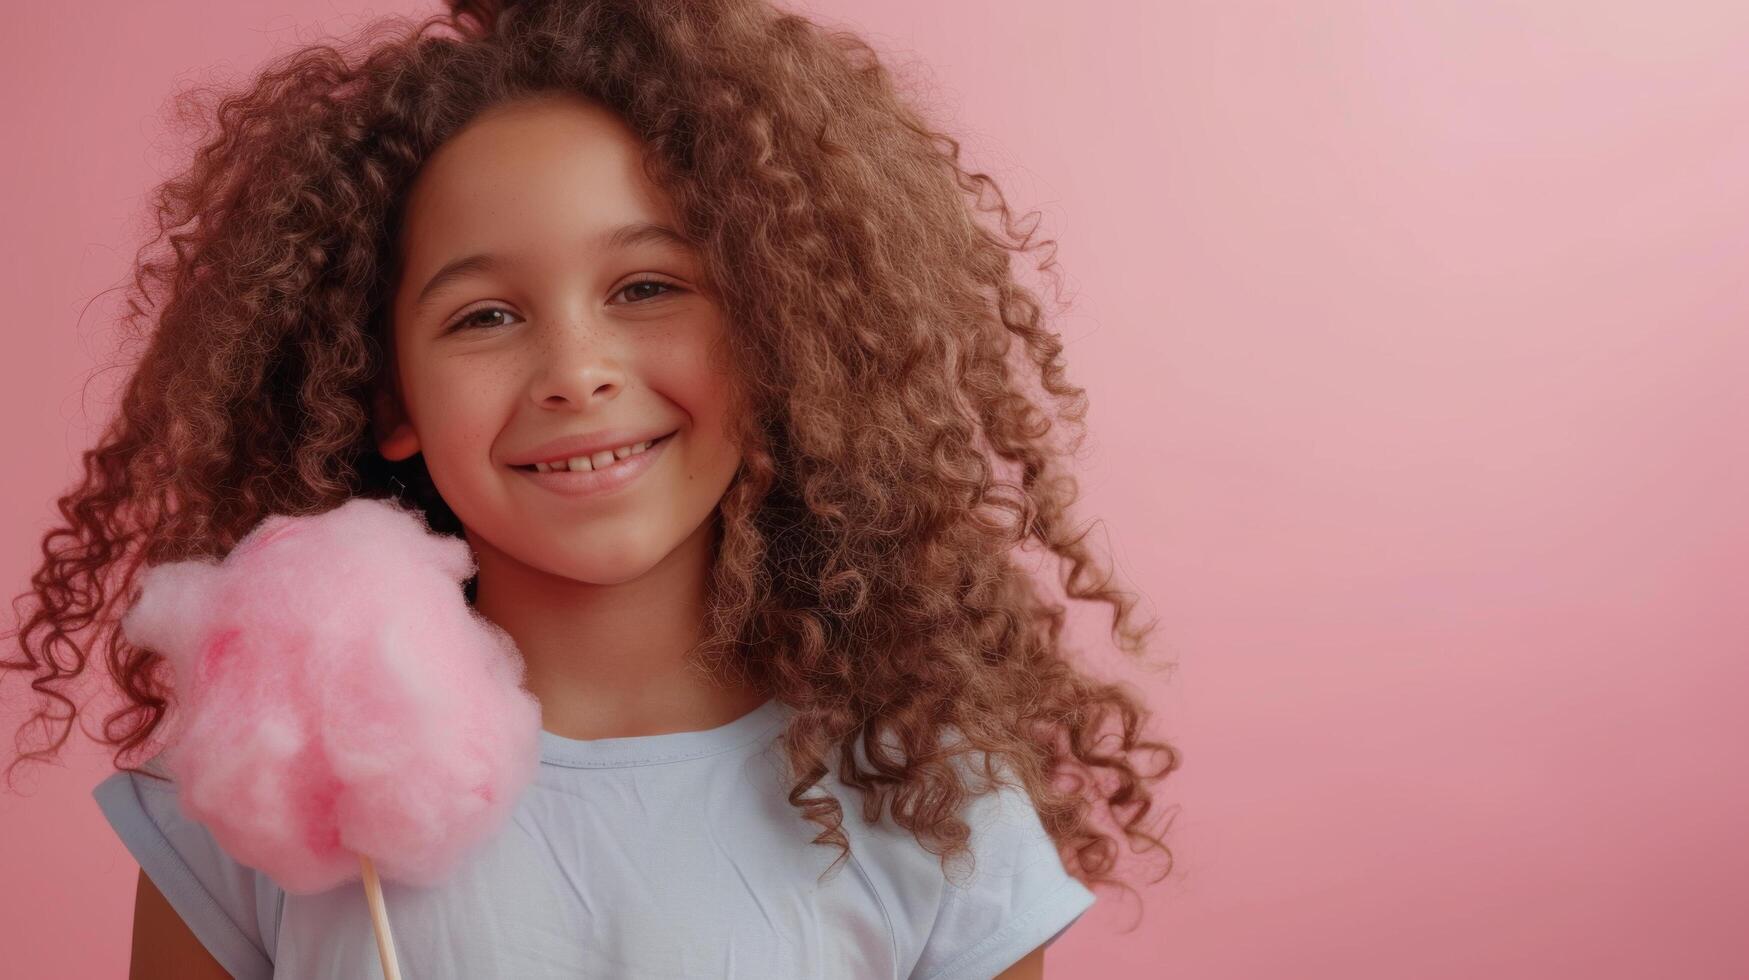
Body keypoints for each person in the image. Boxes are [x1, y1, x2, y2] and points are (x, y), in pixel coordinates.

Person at [5, 0, 1178, 976]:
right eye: (487, 315)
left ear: (777, 335)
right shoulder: (263, 781)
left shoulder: (932, 799)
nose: (576, 372)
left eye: (648, 287)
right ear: (387, 397)